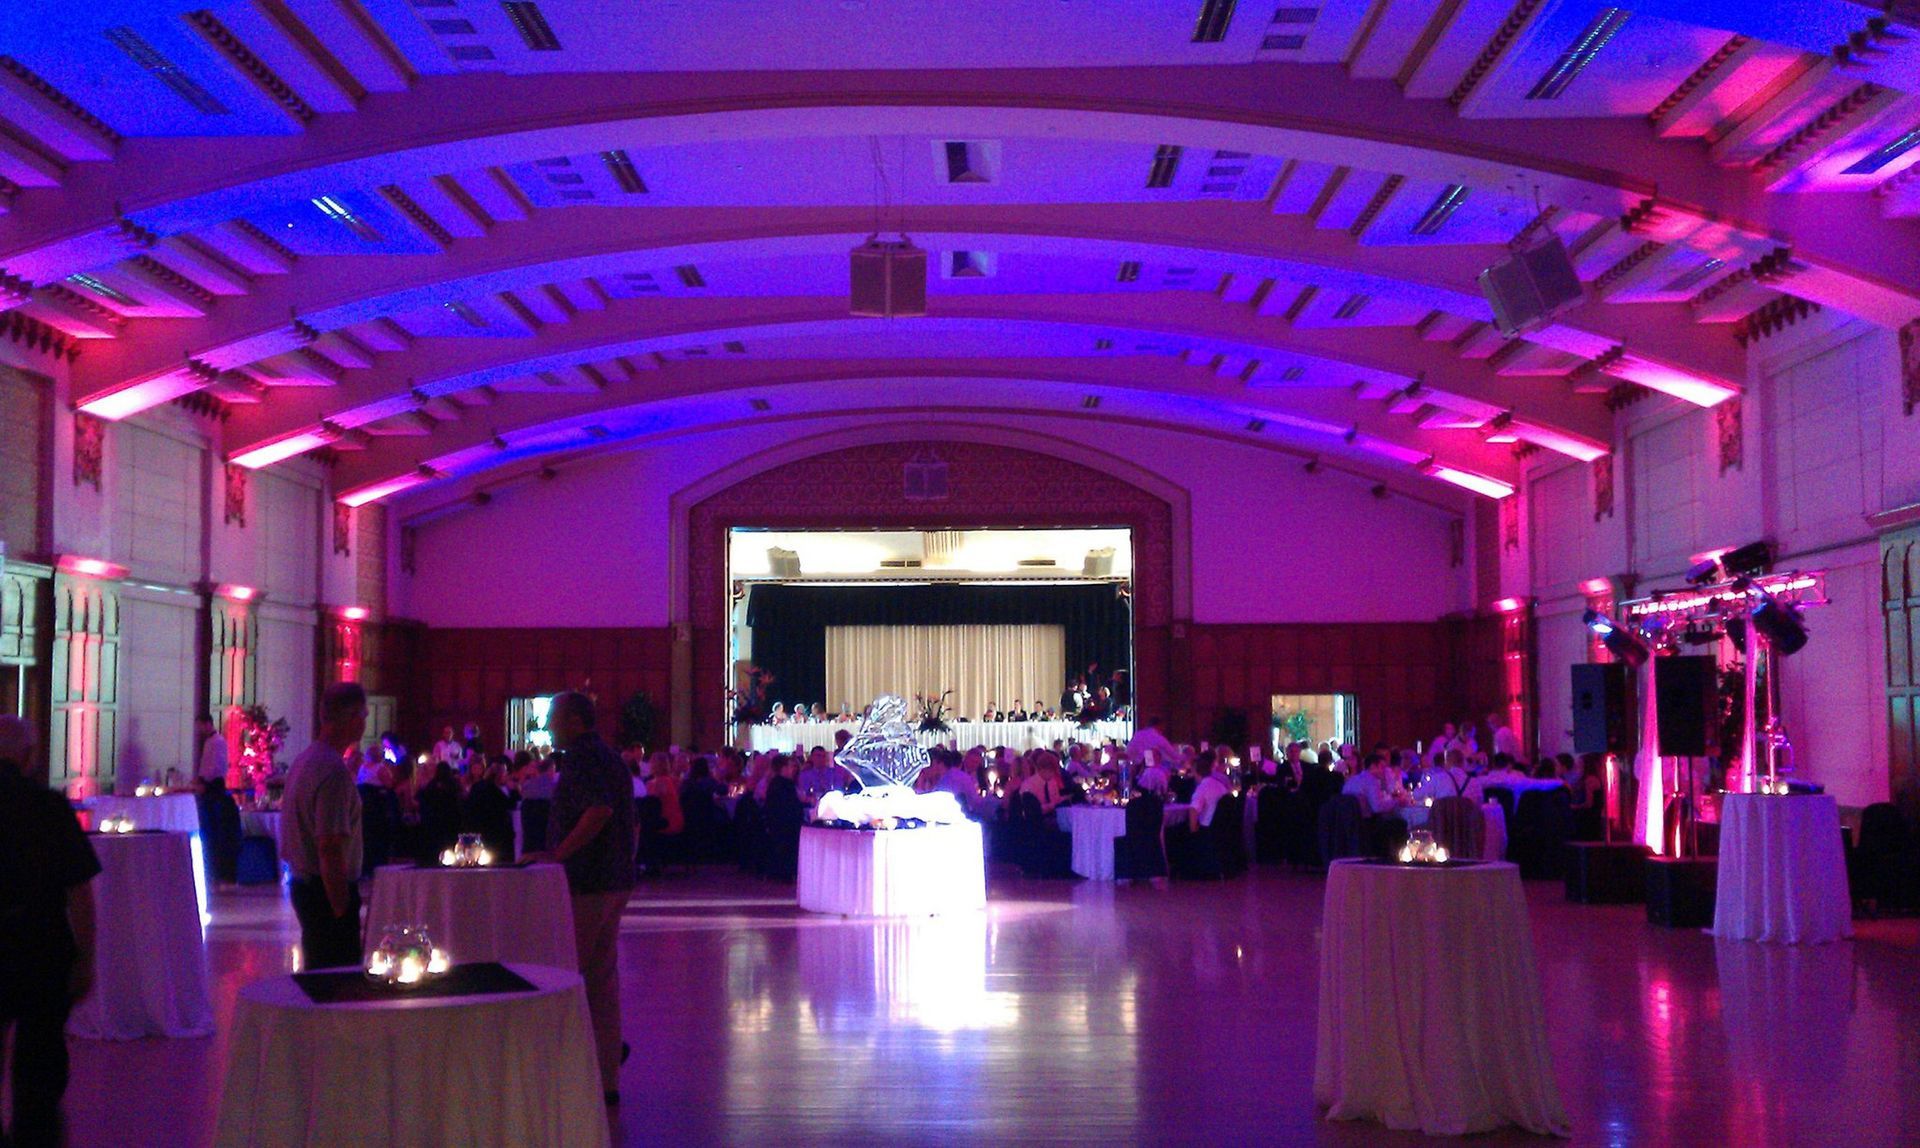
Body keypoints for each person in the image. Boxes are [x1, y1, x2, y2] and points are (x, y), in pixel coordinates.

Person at [525, 691, 635, 1105]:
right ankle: (605, 1075)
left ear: (574, 720)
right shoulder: (611, 758)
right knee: (602, 980)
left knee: (569, 974)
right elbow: (630, 821)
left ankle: (567, 1072)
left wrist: (558, 854)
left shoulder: (583, 759)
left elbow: (598, 811)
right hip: (615, 878)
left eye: (553, 718)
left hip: (587, 881)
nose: (547, 726)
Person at [0, 716, 99, 1148]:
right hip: (41, 948)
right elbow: (79, 892)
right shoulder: (48, 807)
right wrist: (86, 959)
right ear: (28, 755)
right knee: (39, 1066)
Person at [281, 683, 368, 971]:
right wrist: (342, 908)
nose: (364, 723)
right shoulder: (332, 771)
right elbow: (329, 846)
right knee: (336, 978)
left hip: (304, 886)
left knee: (317, 972)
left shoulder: (305, 760)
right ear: (353, 719)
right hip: (326, 893)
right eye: (363, 715)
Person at [192, 712, 242, 885]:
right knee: (209, 829)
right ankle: (212, 870)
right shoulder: (209, 742)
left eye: (200, 725)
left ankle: (218, 871)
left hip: (213, 789)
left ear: (207, 724)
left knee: (214, 829)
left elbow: (216, 768)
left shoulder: (218, 742)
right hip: (207, 787)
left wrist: (203, 781)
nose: (198, 730)